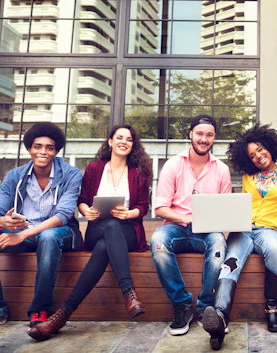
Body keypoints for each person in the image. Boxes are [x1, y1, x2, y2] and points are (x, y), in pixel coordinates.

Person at [28, 124, 152, 341]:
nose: (124, 142)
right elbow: (82, 200)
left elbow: (143, 207)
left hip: (128, 232)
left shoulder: (139, 172)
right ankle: (129, 293)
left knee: (109, 238)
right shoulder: (95, 168)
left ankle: (62, 315)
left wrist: (128, 213)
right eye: (119, 137)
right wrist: (87, 212)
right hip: (97, 228)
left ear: (133, 145)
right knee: (108, 228)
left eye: (129, 139)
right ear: (110, 141)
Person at [202, 123, 277, 350]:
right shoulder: (248, 176)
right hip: (243, 229)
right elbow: (242, 204)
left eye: (261, 149)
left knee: (275, 251)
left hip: (268, 230)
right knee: (229, 263)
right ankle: (220, 317)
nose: (258, 156)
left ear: (270, 147)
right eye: (252, 156)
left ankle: (272, 307)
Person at [150, 115, 232, 337]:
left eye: (209, 135)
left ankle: (205, 306)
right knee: (157, 241)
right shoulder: (173, 165)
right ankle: (182, 305)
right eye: (199, 134)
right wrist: (185, 219)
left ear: (214, 138)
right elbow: (160, 208)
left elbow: (225, 209)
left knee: (218, 243)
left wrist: (215, 222)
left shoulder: (222, 169)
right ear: (190, 134)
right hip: (176, 226)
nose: (204, 139)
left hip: (207, 230)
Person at [0, 122, 83, 327]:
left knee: (48, 236)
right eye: (37, 146)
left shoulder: (71, 174)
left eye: (49, 147)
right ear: (29, 149)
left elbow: (62, 215)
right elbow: (0, 211)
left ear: (56, 151)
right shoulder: (14, 176)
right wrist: (4, 221)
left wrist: (22, 235)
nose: (43, 152)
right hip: (23, 230)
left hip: (60, 232)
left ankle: (40, 310)